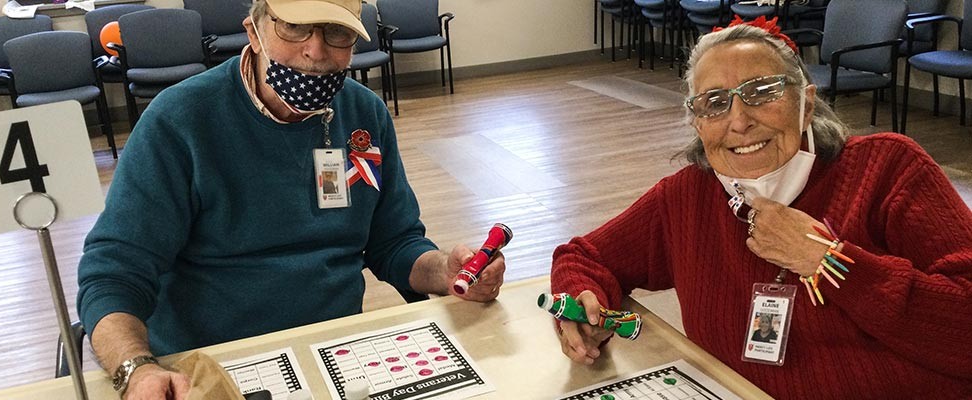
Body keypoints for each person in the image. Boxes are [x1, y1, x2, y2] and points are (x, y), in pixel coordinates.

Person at [76, 0, 506, 398]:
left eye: (336, 32)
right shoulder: (179, 121)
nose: (316, 50)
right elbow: (113, 275)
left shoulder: (364, 115)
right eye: (295, 27)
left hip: (337, 353)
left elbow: (393, 242)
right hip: (209, 367)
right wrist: (137, 370)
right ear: (254, 30)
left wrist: (444, 271)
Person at [551, 16, 972, 399]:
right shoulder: (686, 197)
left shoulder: (887, 170)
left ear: (806, 103)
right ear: (697, 123)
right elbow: (585, 256)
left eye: (762, 92)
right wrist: (580, 304)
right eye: (714, 103)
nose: (739, 121)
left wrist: (828, 262)